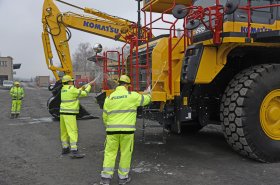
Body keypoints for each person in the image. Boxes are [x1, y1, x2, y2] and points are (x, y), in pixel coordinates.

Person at [100, 75, 151, 185]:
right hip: (127, 132)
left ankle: (105, 178)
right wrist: (149, 93)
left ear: (119, 83)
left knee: (110, 153)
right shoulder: (132, 96)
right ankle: (123, 178)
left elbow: (105, 117)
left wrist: (108, 127)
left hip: (111, 131)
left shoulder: (109, 98)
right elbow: (146, 100)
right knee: (125, 154)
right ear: (127, 85)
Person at [59, 75, 92, 159]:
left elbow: (76, 92)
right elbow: (84, 94)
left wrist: (82, 87)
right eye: (72, 81)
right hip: (70, 113)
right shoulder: (72, 89)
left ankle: (65, 148)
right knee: (72, 131)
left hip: (62, 113)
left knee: (64, 132)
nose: (73, 82)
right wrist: (88, 87)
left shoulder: (63, 89)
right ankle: (74, 150)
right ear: (69, 82)